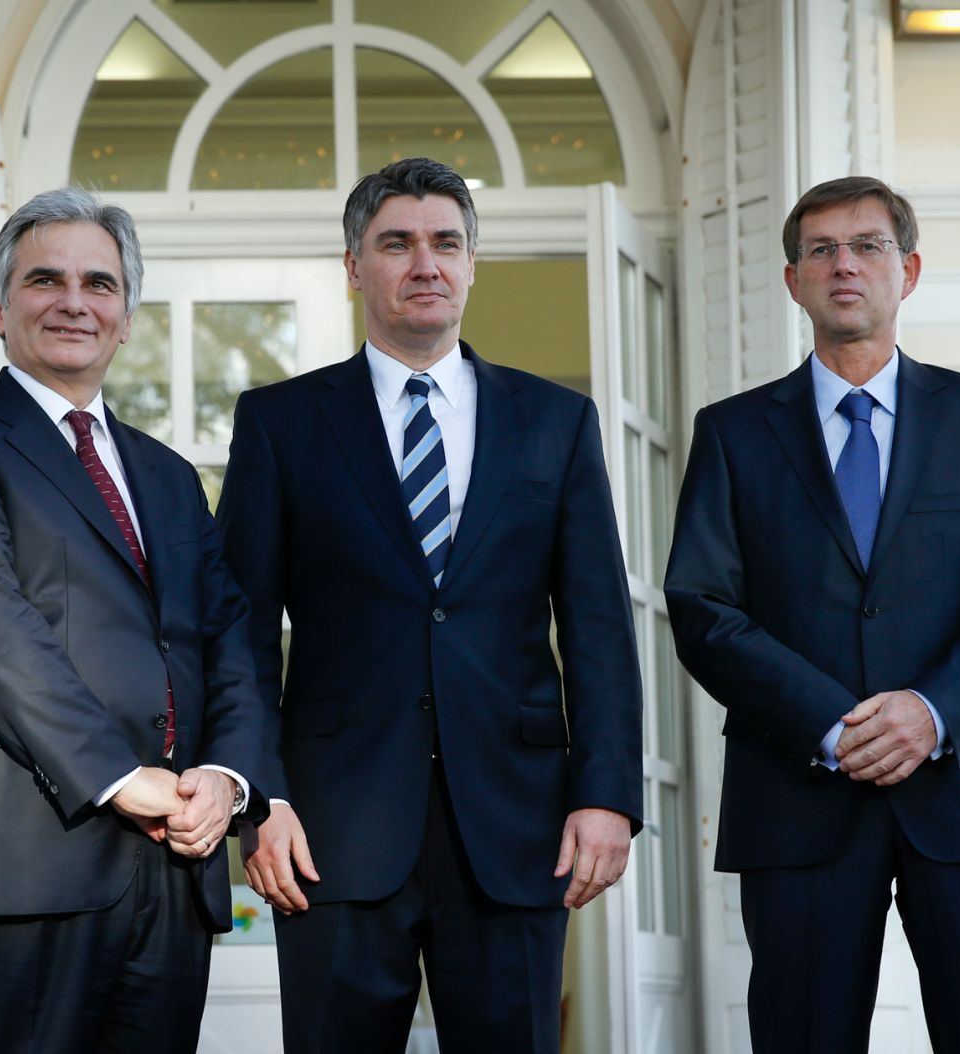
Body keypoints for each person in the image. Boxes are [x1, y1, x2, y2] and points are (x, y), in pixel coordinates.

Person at [216, 157, 643, 1053]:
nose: (425, 264)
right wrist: (263, 796)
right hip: (329, 826)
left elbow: (599, 622)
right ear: (353, 264)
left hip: (516, 824)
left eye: (447, 242)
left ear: (472, 262)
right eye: (397, 243)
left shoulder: (555, 421)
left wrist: (607, 794)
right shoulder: (280, 423)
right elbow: (241, 630)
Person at [664, 175, 960, 1054]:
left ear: (908, 271)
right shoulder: (731, 434)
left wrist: (931, 712)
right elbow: (702, 606)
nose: (845, 265)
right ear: (793, 280)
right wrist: (829, 725)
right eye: (822, 250)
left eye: (868, 246)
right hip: (799, 798)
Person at [0, 187, 271, 1052]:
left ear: (126, 315)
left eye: (99, 284)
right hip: (24, 872)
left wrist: (228, 778)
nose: (73, 301)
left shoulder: (169, 477)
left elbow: (229, 641)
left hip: (172, 875)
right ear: (0, 307)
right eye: (44, 280)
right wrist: (116, 775)